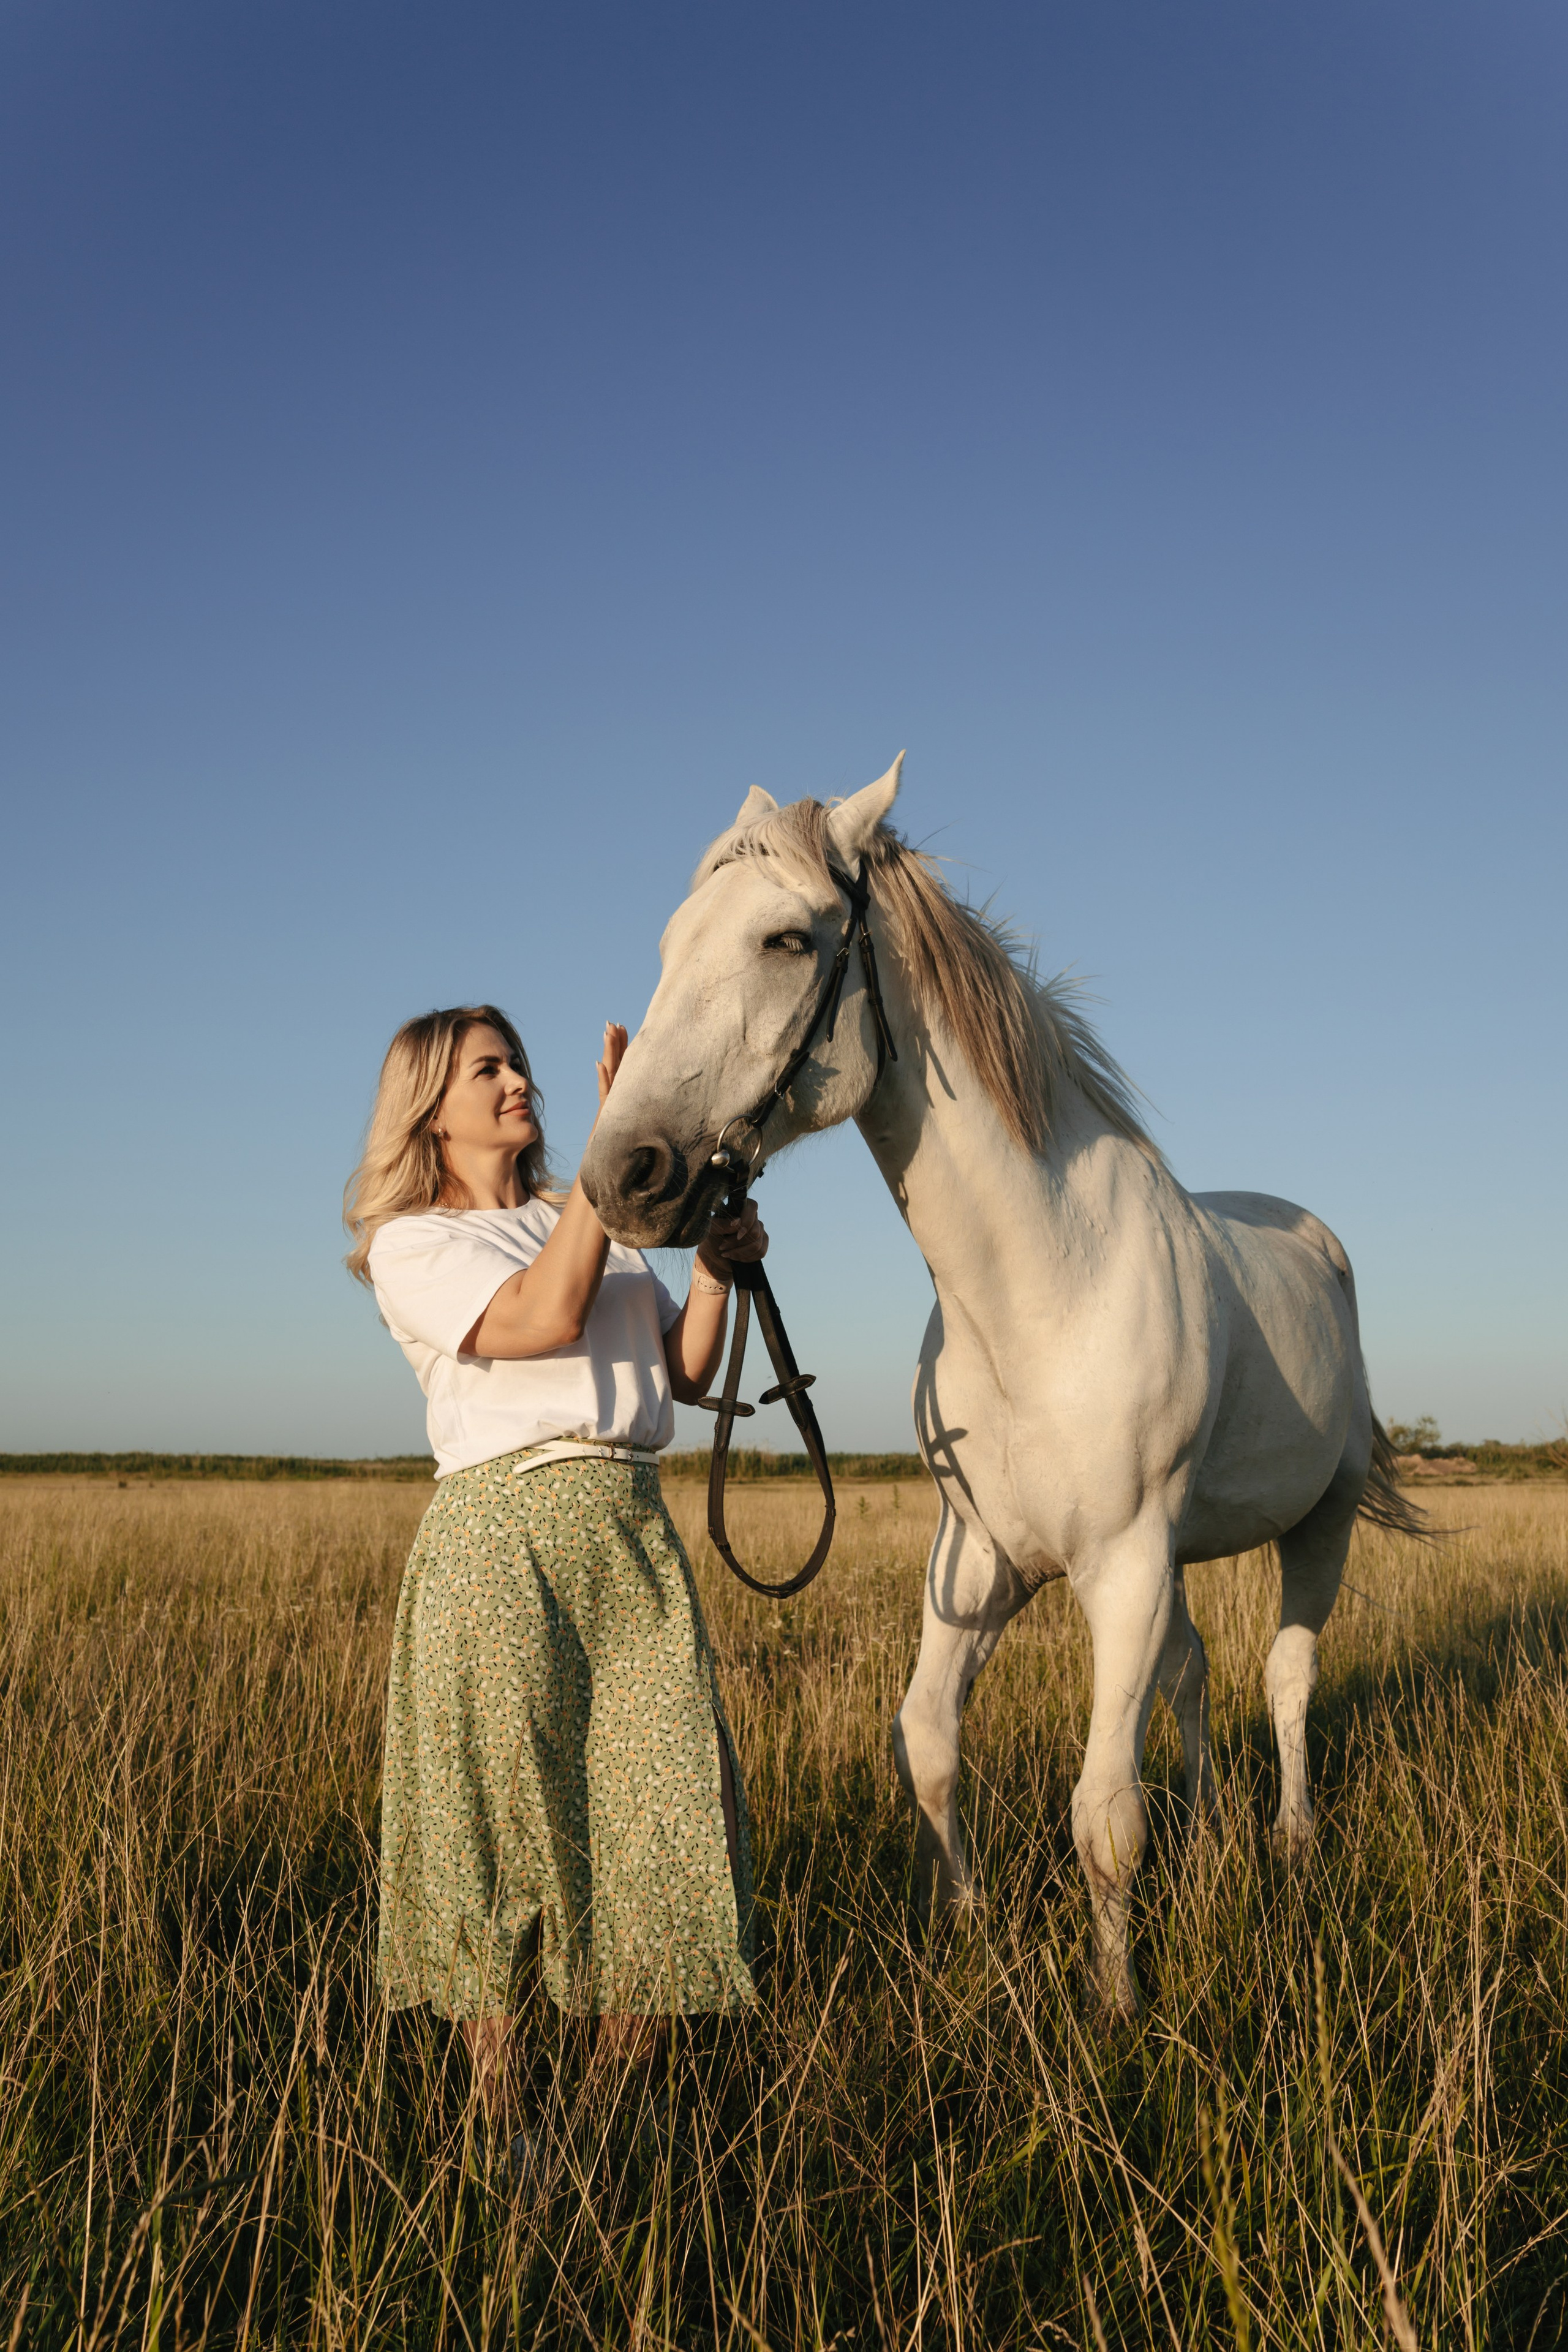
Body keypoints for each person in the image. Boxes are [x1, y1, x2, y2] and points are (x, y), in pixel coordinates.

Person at [343, 1003, 763, 2126]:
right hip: (502, 1535)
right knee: (512, 1834)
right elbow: (540, 1318)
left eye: (519, 1061)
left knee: (675, 1825)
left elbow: (679, 1366)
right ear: (431, 1107)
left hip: (629, 1528)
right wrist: (605, 1165)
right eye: (488, 1068)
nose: (518, 1079)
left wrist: (714, 1268)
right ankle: (502, 2121)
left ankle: (589, 2123)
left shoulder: (587, 1217)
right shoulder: (414, 1242)